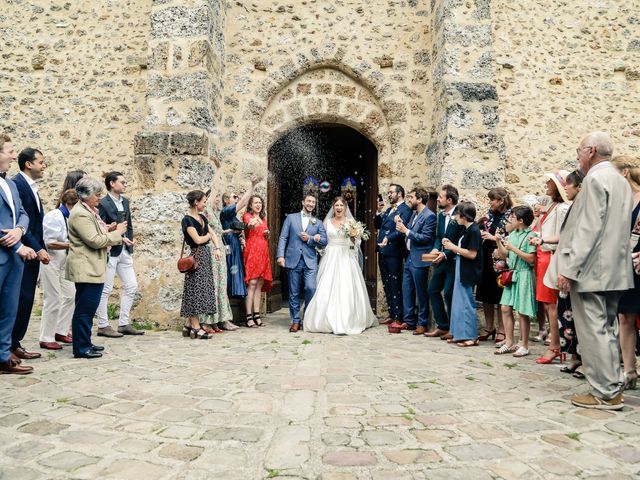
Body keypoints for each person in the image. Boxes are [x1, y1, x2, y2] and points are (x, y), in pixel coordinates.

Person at [556, 132, 633, 410]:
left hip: (592, 270)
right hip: (615, 269)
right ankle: (612, 385)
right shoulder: (620, 181)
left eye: (579, 150)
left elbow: (587, 228)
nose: (577, 155)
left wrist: (569, 268)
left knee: (593, 332)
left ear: (590, 151)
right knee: (607, 329)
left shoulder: (595, 179)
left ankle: (605, 392)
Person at [66, 177, 127, 358]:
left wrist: (108, 229)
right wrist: (117, 233)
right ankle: (81, 348)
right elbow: (94, 241)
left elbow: (95, 234)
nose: (99, 198)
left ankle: (86, 342)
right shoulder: (80, 214)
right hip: (86, 268)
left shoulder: (88, 210)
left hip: (93, 266)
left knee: (88, 309)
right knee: (84, 310)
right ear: (85, 195)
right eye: (96, 194)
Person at [304, 196, 375, 334]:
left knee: (346, 286)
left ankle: (348, 318)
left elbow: (357, 244)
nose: (339, 208)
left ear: (345, 207)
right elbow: (323, 241)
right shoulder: (327, 222)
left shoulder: (351, 222)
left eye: (341, 205)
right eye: (336, 205)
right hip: (330, 256)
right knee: (326, 286)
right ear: (333, 207)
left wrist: (354, 236)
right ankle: (323, 319)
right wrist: (317, 242)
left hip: (345, 257)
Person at [0, 134, 37, 374]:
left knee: (9, 309)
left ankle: (3, 356)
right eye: (10, 151)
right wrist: (15, 243)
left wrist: (20, 230)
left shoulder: (10, 183)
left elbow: (23, 212)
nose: (14, 156)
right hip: (7, 252)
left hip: (15, 258)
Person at [543, 170, 585, 377]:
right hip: (563, 265)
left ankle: (584, 359)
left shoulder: (580, 208)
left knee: (576, 316)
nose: (566, 187)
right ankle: (573, 357)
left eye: (570, 185)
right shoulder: (572, 207)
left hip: (572, 267)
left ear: (579, 187)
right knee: (565, 315)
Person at [11, 147, 50, 362]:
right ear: (29, 164)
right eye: (41, 162)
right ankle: (10, 344)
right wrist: (38, 248)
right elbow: (23, 223)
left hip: (32, 253)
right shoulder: (17, 185)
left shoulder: (31, 187)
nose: (44, 166)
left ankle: (15, 343)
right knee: (20, 299)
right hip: (23, 253)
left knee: (25, 300)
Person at [95, 172, 144, 337]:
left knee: (131, 286)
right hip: (110, 250)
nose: (125, 185)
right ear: (112, 184)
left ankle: (124, 323)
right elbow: (101, 227)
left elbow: (128, 225)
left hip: (125, 250)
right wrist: (115, 233)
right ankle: (103, 325)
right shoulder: (102, 203)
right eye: (122, 182)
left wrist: (129, 240)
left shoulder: (126, 201)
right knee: (106, 289)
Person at [528, 171, 570, 364]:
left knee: (551, 304)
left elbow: (562, 235)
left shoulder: (562, 208)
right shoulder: (552, 206)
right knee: (547, 304)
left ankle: (555, 345)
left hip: (551, 256)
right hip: (543, 253)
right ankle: (555, 343)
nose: (546, 184)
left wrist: (543, 239)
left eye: (550, 182)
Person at [276, 193, 328, 332]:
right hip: (293, 259)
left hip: (310, 260)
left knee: (311, 288)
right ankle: (295, 320)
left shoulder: (318, 222)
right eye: (309, 201)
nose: (311, 204)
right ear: (303, 202)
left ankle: (307, 316)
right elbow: (283, 237)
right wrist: (280, 256)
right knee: (294, 292)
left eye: (313, 202)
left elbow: (324, 241)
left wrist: (310, 238)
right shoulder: (291, 218)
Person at [494, 206, 537, 357]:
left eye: (513, 217)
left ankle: (524, 345)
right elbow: (505, 254)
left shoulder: (531, 235)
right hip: (512, 274)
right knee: (505, 308)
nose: (510, 219)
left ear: (521, 220)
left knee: (523, 312)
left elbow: (531, 259)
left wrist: (513, 248)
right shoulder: (512, 234)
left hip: (524, 274)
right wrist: (499, 242)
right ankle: (509, 342)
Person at [612, 155, 640, 390]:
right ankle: (629, 370)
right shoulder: (621, 201)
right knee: (624, 316)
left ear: (624, 173)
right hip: (625, 266)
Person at [39, 189, 79, 350]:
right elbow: (49, 242)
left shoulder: (69, 217)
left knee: (71, 295)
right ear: (70, 204)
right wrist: (73, 244)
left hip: (65, 261)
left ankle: (60, 330)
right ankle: (46, 337)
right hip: (51, 260)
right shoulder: (54, 216)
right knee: (53, 298)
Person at [180, 190, 223, 339]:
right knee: (195, 291)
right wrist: (207, 237)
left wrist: (217, 248)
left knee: (202, 290)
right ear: (196, 202)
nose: (205, 204)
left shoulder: (202, 217)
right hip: (195, 258)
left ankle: (188, 325)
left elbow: (213, 234)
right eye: (204, 201)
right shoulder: (187, 220)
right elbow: (198, 240)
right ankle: (196, 327)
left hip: (205, 257)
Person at [425, 185, 465, 338]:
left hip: (454, 260)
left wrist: (446, 253)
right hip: (440, 261)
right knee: (433, 289)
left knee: (449, 293)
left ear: (449, 200)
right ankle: (442, 325)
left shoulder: (460, 215)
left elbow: (460, 240)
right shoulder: (440, 216)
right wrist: (436, 249)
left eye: (440, 197)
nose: (438, 199)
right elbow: (438, 237)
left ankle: (453, 328)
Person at [395, 188, 436, 334]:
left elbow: (425, 238)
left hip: (420, 258)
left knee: (421, 292)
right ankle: (409, 321)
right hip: (409, 258)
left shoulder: (430, 216)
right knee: (407, 290)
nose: (409, 200)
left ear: (419, 199)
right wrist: (400, 224)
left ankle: (422, 323)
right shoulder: (413, 214)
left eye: (411, 197)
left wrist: (406, 231)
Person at [199, 174, 236, 332]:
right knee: (213, 285)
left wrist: (230, 231)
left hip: (219, 249)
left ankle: (221, 319)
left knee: (221, 285)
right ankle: (209, 320)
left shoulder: (214, 214)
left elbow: (219, 231)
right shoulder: (205, 211)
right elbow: (214, 189)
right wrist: (219, 170)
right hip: (212, 250)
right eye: (211, 198)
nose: (215, 200)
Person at [442, 201, 482, 346]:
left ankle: (471, 336)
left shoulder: (474, 231)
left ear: (464, 216)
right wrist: (450, 245)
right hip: (461, 266)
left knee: (466, 303)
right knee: (458, 302)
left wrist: (452, 247)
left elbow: (472, 254)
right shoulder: (466, 229)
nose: (455, 217)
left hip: (468, 270)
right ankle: (459, 333)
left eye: (457, 214)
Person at [476, 187, 513, 344]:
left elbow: (510, 235)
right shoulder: (490, 213)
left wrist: (492, 237)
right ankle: (489, 327)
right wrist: (480, 222)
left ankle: (502, 330)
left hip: (500, 257)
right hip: (485, 256)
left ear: (501, 201)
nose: (490, 202)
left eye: (492, 199)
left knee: (499, 295)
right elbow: (481, 228)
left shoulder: (511, 215)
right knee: (485, 294)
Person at [375, 184, 412, 325]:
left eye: (391, 192)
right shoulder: (390, 209)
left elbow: (402, 230)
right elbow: (378, 225)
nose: (388, 194)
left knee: (395, 283)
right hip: (383, 251)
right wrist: (379, 212)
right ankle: (392, 313)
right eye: (388, 192)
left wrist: (388, 238)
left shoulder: (406, 210)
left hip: (394, 252)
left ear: (400, 194)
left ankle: (398, 316)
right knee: (386, 283)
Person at [220, 175, 260, 299]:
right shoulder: (226, 210)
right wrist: (252, 186)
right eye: (234, 197)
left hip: (234, 243)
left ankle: (233, 297)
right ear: (227, 200)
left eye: (237, 197)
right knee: (230, 270)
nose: (237, 199)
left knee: (234, 269)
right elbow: (243, 203)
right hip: (230, 245)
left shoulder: (230, 213)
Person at [242, 195, 273, 327]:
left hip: (263, 252)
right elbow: (249, 226)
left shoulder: (263, 218)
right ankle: (249, 317)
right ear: (250, 205)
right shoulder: (248, 216)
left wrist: (267, 233)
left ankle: (257, 315)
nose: (258, 205)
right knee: (252, 283)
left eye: (260, 202)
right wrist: (251, 224)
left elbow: (264, 234)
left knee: (259, 283)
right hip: (253, 251)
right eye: (255, 203)